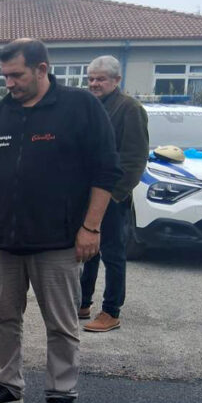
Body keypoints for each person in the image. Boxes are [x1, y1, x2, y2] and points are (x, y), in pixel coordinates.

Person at [0, 38, 122, 403]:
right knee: (4, 317)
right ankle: (7, 385)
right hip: (4, 240)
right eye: (5, 76)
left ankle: (61, 395)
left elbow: (107, 171)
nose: (9, 83)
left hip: (58, 240)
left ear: (42, 69)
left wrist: (91, 227)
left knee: (62, 324)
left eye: (16, 75)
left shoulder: (80, 107)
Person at [79, 55, 149, 333]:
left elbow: (134, 160)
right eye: (91, 79)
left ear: (117, 80)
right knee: (87, 250)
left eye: (101, 79)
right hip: (86, 194)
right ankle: (83, 302)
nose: (94, 84)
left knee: (113, 254)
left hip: (112, 197)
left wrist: (114, 195)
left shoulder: (130, 109)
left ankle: (111, 311)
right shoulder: (89, 106)